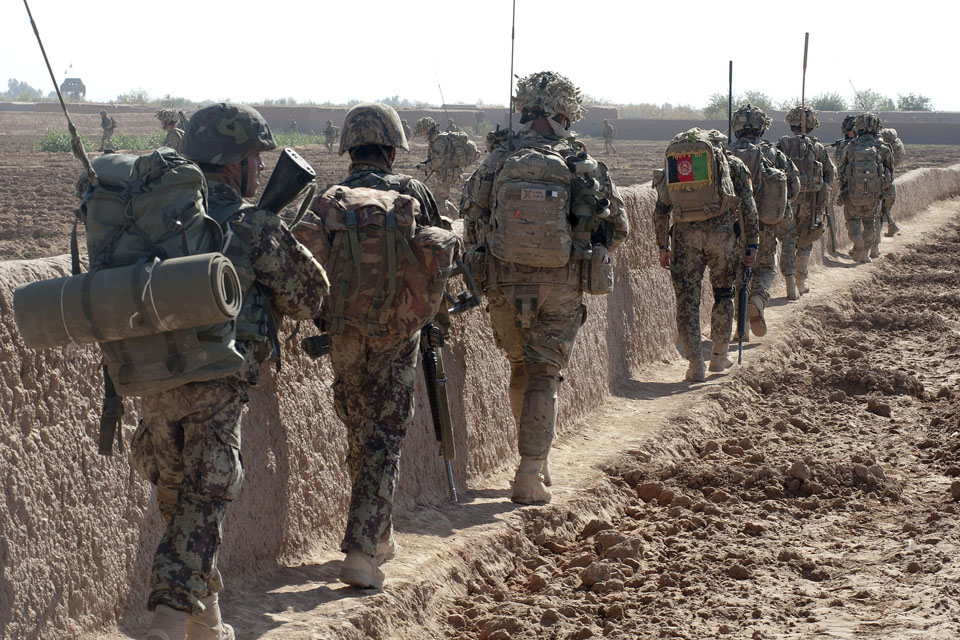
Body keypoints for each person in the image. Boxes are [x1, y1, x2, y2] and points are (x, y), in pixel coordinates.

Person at [133, 103, 330, 640]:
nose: (261, 169)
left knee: (182, 499)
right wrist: (278, 237)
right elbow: (311, 296)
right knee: (206, 496)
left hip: (153, 374)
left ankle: (208, 624)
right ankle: (169, 622)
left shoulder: (155, 220)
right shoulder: (249, 223)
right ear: (231, 162)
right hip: (218, 378)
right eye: (254, 158)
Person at [293, 103, 447, 590]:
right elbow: (434, 258)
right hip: (398, 332)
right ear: (392, 147)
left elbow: (302, 266)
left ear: (349, 145)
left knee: (360, 427)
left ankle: (377, 532)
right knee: (385, 434)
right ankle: (362, 549)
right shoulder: (412, 192)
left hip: (342, 332)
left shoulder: (328, 198)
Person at [462, 71, 629, 505]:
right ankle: (531, 471)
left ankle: (536, 456)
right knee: (544, 372)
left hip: (504, 280)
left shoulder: (498, 158)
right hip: (560, 283)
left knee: (520, 367)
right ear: (566, 112)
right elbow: (619, 226)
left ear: (525, 108)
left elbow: (471, 212)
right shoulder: (580, 161)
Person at [653, 127, 758, 381]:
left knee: (687, 302)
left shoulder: (677, 164)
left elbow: (661, 209)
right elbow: (748, 207)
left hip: (684, 237)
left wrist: (662, 245)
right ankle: (720, 356)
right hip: (722, 237)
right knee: (723, 294)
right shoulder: (734, 165)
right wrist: (752, 244)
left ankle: (695, 365)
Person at [729, 104, 800, 338]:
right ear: (761, 128)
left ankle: (742, 329)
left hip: (732, 228)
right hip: (765, 227)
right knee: (766, 268)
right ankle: (758, 299)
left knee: (738, 275)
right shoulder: (773, 154)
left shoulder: (725, 153)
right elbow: (795, 185)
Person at [777, 106, 835, 298]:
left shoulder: (782, 146)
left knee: (788, 242)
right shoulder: (818, 148)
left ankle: (790, 285)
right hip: (811, 204)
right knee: (805, 242)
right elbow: (830, 174)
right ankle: (801, 282)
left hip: (788, 203)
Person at [837, 112, 896, 263]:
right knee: (870, 222)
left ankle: (857, 241)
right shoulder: (883, 147)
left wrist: (845, 187)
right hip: (873, 195)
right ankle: (865, 253)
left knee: (852, 220)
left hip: (853, 194)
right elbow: (890, 172)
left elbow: (841, 168)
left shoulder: (851, 146)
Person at [413, 116, 477, 217]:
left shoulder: (439, 141)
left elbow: (437, 162)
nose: (423, 136)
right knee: (440, 198)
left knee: (439, 200)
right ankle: (457, 217)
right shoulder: (437, 139)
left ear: (428, 131)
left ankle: (445, 223)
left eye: (423, 133)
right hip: (446, 173)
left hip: (447, 174)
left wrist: (424, 167)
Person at [877, 126, 905, 242]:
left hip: (884, 179)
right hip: (888, 179)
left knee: (881, 207)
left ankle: (878, 235)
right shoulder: (897, 145)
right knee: (884, 206)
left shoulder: (888, 148)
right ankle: (892, 225)